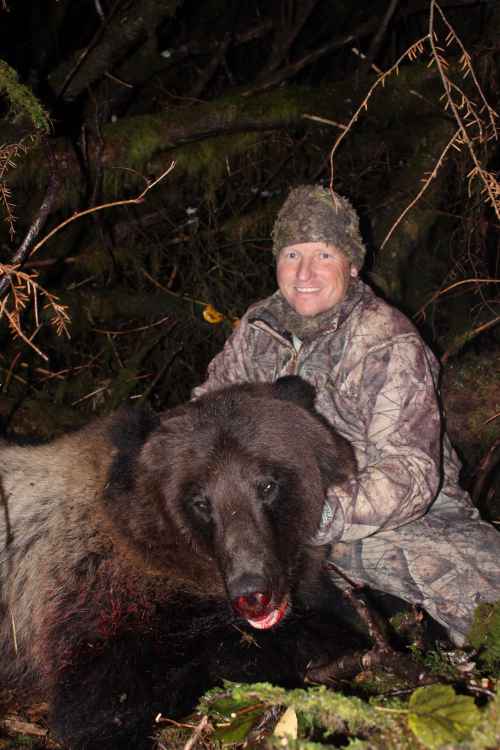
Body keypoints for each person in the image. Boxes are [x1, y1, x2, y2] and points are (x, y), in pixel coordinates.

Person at [193, 184, 500, 646]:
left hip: (404, 521)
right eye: (293, 255)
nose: (305, 273)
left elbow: (411, 475)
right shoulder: (258, 329)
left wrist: (308, 514)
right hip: (266, 519)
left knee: (486, 604)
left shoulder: (384, 340)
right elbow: (205, 419)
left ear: (352, 265)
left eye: (324, 255)